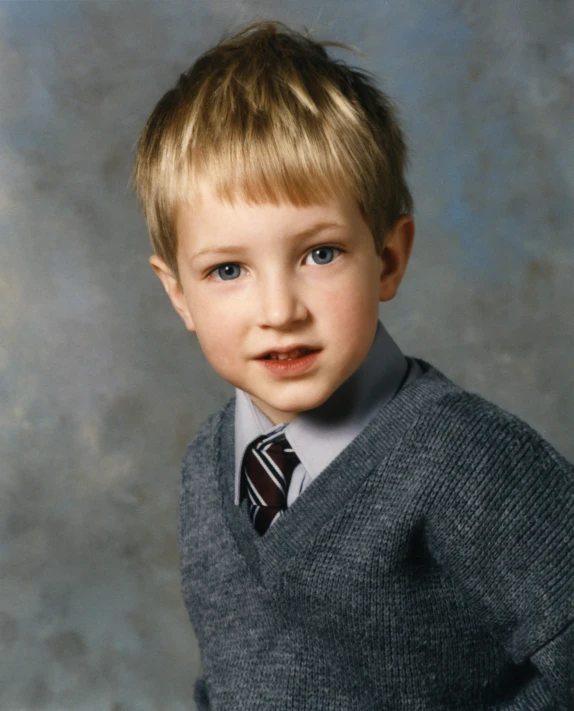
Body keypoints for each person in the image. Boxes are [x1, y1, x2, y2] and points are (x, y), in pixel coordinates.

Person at [131, 19, 573, 711]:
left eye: (320, 254)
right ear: (178, 293)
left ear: (389, 258)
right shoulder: (204, 467)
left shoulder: (463, 456)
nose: (278, 308)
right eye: (227, 269)